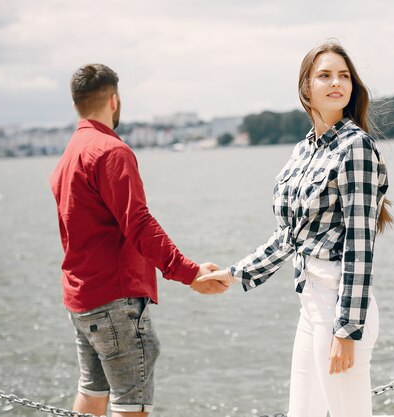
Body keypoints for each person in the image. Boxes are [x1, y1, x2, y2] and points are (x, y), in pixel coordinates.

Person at [198, 40, 392, 417]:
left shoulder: (357, 148)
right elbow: (289, 236)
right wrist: (232, 274)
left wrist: (346, 331)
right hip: (311, 305)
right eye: (325, 75)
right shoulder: (305, 150)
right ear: (306, 87)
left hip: (340, 306)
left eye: (344, 76)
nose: (336, 82)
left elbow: (360, 245)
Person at [49, 63, 228, 417]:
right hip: (115, 301)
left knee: (92, 392)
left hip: (82, 299)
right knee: (132, 406)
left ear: (75, 106)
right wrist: (189, 272)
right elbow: (139, 223)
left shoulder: (68, 156)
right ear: (114, 101)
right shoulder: (112, 151)